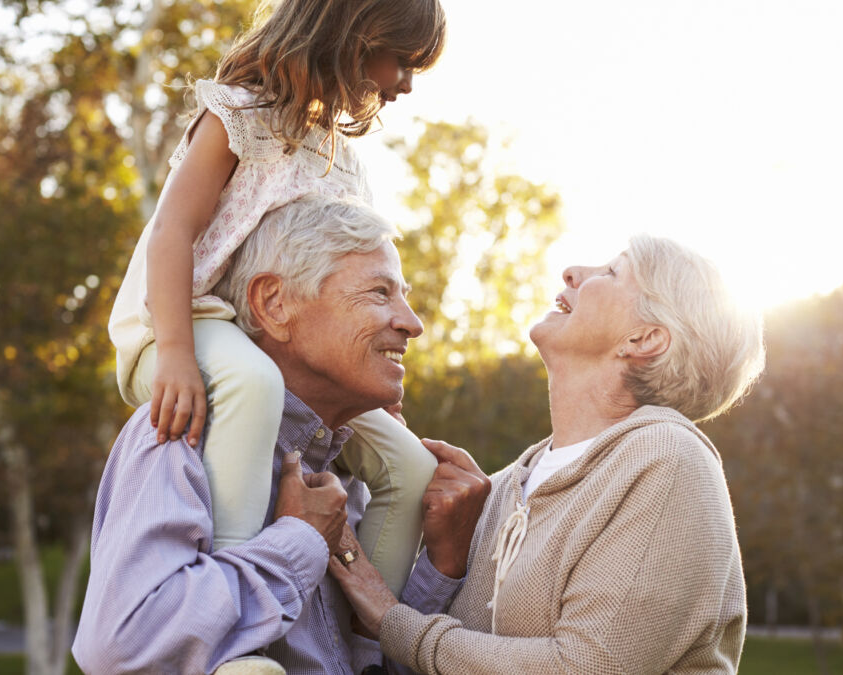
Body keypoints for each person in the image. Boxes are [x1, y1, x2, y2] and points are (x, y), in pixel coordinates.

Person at [107, 0, 447, 605]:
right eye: (403, 61)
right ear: (357, 36)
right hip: (187, 319)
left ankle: (372, 636)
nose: (408, 84)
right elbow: (172, 232)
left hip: (272, 337)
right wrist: (177, 354)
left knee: (408, 466)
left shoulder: (342, 159)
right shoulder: (238, 116)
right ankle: (235, 608)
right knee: (254, 384)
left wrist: (374, 391)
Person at [74, 196, 485, 675]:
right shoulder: (179, 436)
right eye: (379, 293)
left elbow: (365, 667)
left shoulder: (348, 474)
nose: (412, 323)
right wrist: (300, 539)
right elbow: (123, 647)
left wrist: (445, 563)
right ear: (274, 303)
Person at [328, 234, 767, 674]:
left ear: (644, 338)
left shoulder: (668, 460)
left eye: (612, 272)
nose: (573, 272)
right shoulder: (501, 488)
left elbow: (583, 666)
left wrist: (391, 618)